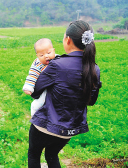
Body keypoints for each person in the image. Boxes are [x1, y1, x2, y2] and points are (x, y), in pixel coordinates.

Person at [28, 20, 102, 168]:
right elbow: (91, 101)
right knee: (51, 154)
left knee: (34, 154)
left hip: (46, 124)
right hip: (71, 128)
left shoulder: (57, 64)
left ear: (68, 40)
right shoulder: (95, 68)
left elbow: (35, 92)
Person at [22, 38, 57, 116]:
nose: (46, 56)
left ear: (53, 50)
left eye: (49, 52)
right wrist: (28, 87)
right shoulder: (37, 65)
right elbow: (32, 76)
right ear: (37, 56)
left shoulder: (58, 59)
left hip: (57, 86)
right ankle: (35, 117)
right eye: (41, 55)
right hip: (45, 88)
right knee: (39, 103)